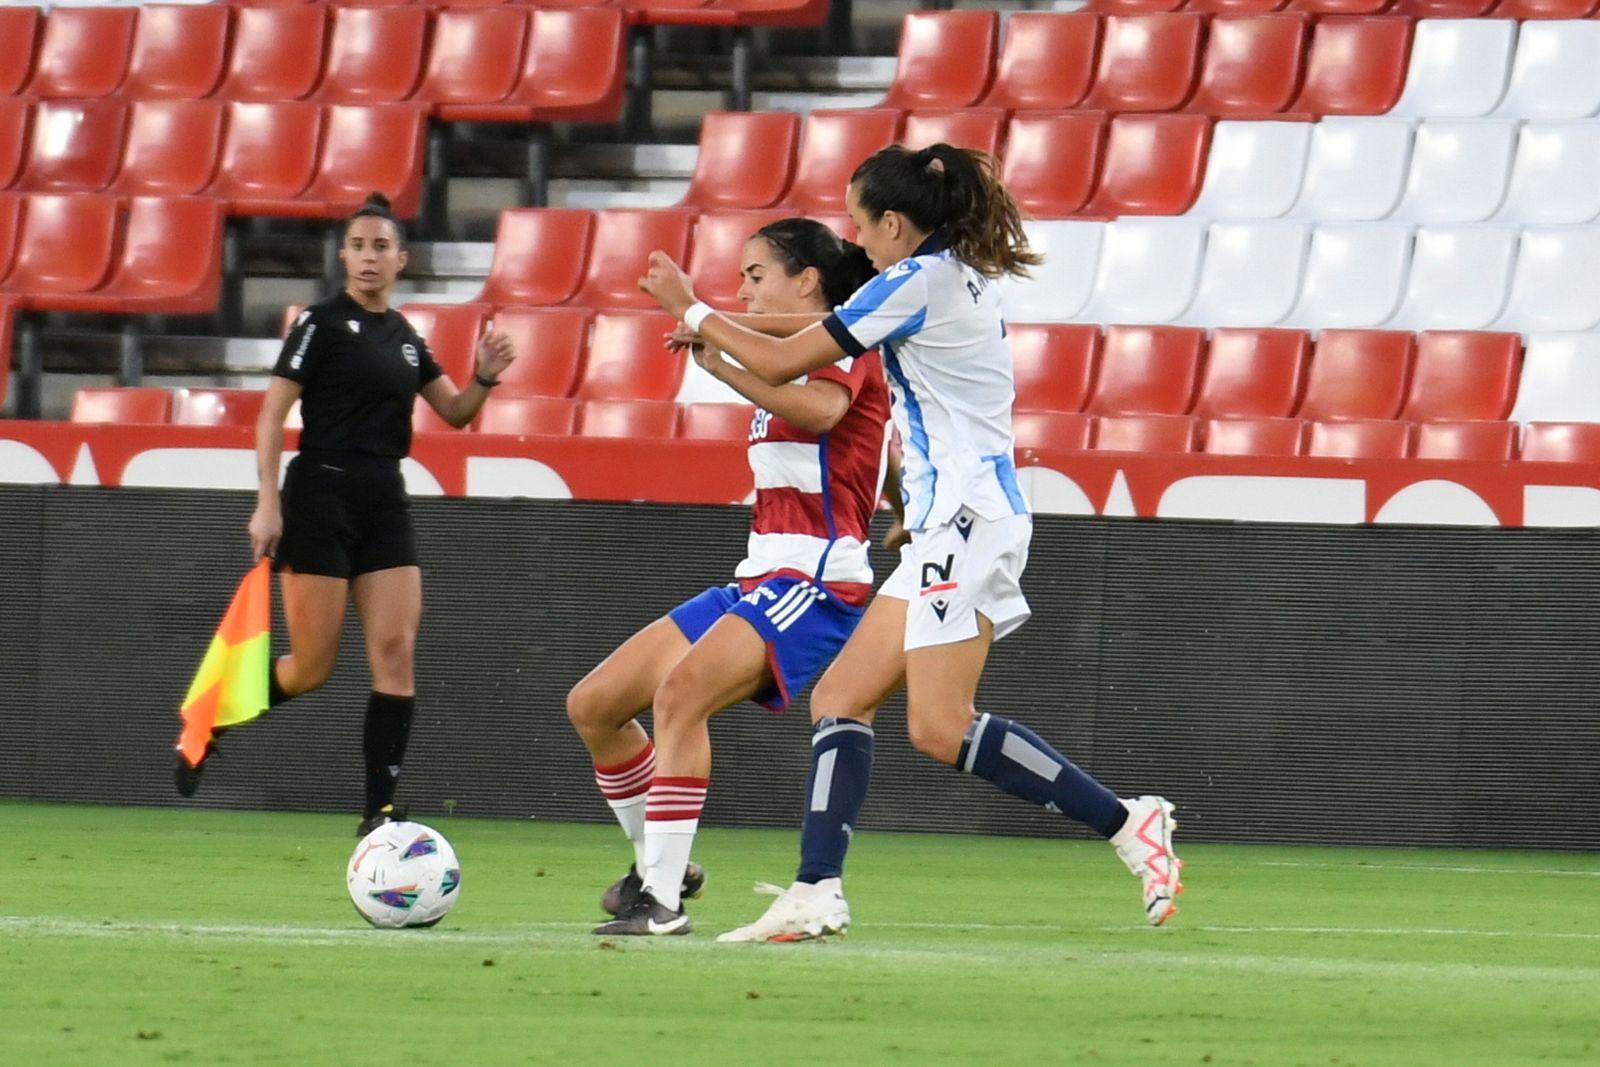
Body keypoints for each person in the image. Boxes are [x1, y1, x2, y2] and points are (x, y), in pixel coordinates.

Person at [638, 144, 1184, 940]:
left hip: (969, 519)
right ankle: (816, 889)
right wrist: (720, 332)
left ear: (894, 222)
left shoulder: (915, 283)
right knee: (840, 698)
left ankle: (1128, 822)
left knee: (939, 724)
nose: (856, 243)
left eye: (862, 225)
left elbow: (789, 356)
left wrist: (692, 311)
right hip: (951, 522)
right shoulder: (944, 275)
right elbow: (805, 329)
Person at [568, 218, 892, 936]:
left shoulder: (848, 343)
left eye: (755, 275)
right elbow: (879, 443)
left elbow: (824, 412)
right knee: (595, 705)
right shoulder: (782, 354)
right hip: (758, 579)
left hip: (816, 581)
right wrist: (900, 502)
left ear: (807, 280)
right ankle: (662, 863)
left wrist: (699, 321)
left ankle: (659, 903)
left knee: (680, 695)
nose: (743, 291)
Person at [174, 192, 518, 838]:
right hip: (320, 495)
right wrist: (267, 501)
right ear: (343, 256)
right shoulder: (320, 323)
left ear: (401, 259)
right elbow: (273, 414)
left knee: (396, 651)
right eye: (358, 246)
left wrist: (484, 376)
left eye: (381, 246)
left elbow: (455, 411)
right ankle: (212, 715)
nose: (369, 257)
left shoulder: (406, 339)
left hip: (384, 499)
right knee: (311, 669)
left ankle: (377, 811)